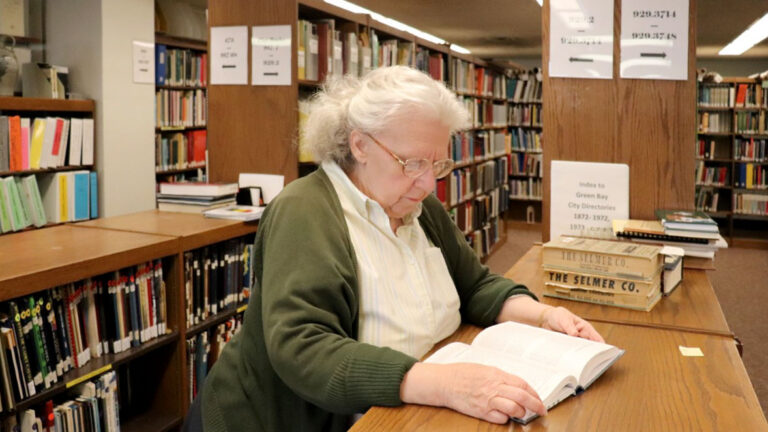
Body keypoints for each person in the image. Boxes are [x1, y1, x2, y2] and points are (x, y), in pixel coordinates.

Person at [191, 66, 603, 432]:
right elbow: (304, 348)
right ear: (360, 146)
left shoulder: (419, 207)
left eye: (438, 166)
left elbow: (474, 286)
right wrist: (444, 384)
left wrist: (546, 316)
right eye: (412, 164)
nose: (428, 184)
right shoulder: (305, 211)